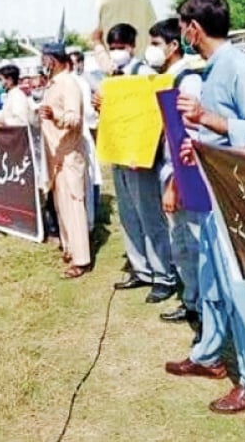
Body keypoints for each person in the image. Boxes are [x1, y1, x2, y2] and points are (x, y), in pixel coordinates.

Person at [164, 0, 245, 414]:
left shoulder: (237, 66)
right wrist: (202, 143)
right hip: (214, 189)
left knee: (241, 288)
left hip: (237, 195)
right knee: (212, 279)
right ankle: (208, 353)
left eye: (181, 28)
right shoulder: (213, 69)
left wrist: (208, 122)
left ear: (193, 28)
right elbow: (222, 133)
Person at [93, 23, 179, 304]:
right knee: (128, 215)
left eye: (121, 47)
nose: (117, 53)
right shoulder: (113, 77)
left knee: (149, 216)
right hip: (120, 155)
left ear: (132, 46)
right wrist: (101, 105)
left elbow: (155, 113)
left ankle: (163, 274)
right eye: (113, 48)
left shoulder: (145, 74)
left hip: (141, 158)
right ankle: (140, 268)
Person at [144, 18, 206, 328]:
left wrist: (175, 183)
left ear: (172, 46)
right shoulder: (159, 80)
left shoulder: (186, 80)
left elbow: (186, 137)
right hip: (168, 171)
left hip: (184, 175)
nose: (151, 50)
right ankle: (192, 301)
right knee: (180, 241)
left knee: (193, 242)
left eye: (155, 43)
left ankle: (203, 307)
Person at [39, 42, 91, 278]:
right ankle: (70, 248)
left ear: (53, 60)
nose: (42, 63)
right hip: (56, 156)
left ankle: (81, 260)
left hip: (69, 155)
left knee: (73, 206)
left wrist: (55, 115)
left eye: (44, 59)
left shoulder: (68, 83)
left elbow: (74, 119)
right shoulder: (53, 85)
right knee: (62, 207)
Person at [67, 51, 102, 233]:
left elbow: (89, 112)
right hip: (78, 134)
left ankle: (87, 223)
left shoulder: (81, 82)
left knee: (86, 178)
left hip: (81, 134)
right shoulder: (75, 82)